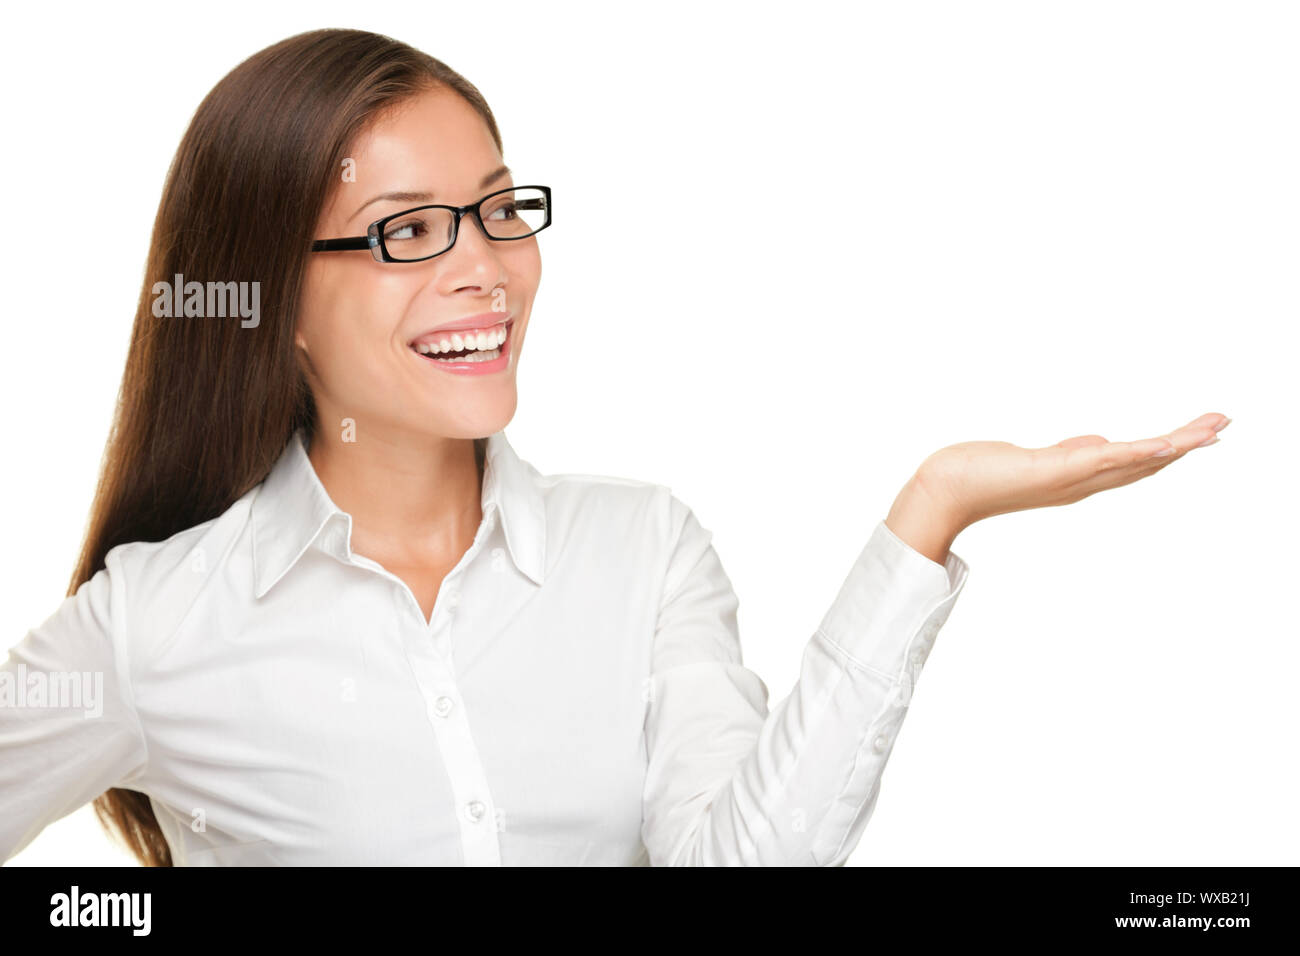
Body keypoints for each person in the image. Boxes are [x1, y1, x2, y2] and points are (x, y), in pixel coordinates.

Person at [0, 28, 1229, 867]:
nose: (481, 265)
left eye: (496, 208)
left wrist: (929, 511)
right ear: (276, 297)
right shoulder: (157, 623)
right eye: (409, 230)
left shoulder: (641, 549)